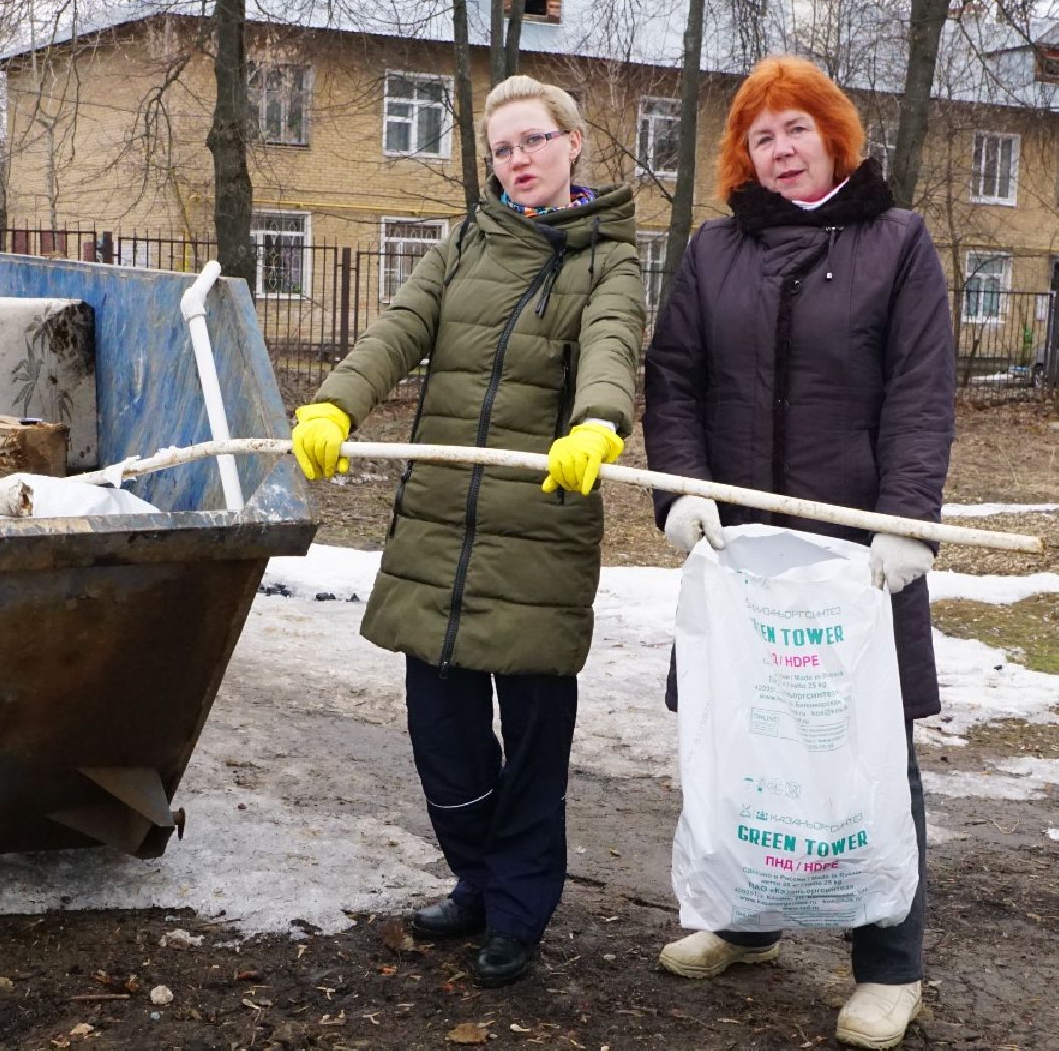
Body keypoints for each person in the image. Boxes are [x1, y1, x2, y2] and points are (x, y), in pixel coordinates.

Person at [289, 75, 644, 988]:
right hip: (441, 527)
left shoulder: (609, 258)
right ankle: (478, 880)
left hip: (540, 533)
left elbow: (612, 343)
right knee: (442, 734)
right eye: (501, 149)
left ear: (572, 144)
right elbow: (398, 331)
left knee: (531, 743)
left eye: (532, 142)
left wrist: (598, 422)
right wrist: (335, 405)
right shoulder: (463, 244)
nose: (517, 161)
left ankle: (519, 910)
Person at [641, 55, 955, 1049]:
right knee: (745, 737)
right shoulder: (715, 250)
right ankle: (745, 922)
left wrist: (904, 518)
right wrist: (682, 490)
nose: (780, 149)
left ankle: (888, 965)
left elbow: (919, 388)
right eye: (761, 135)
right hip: (740, 554)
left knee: (864, 745)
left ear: (835, 137)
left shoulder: (896, 243)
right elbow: (673, 380)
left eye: (797, 129)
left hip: (855, 554)